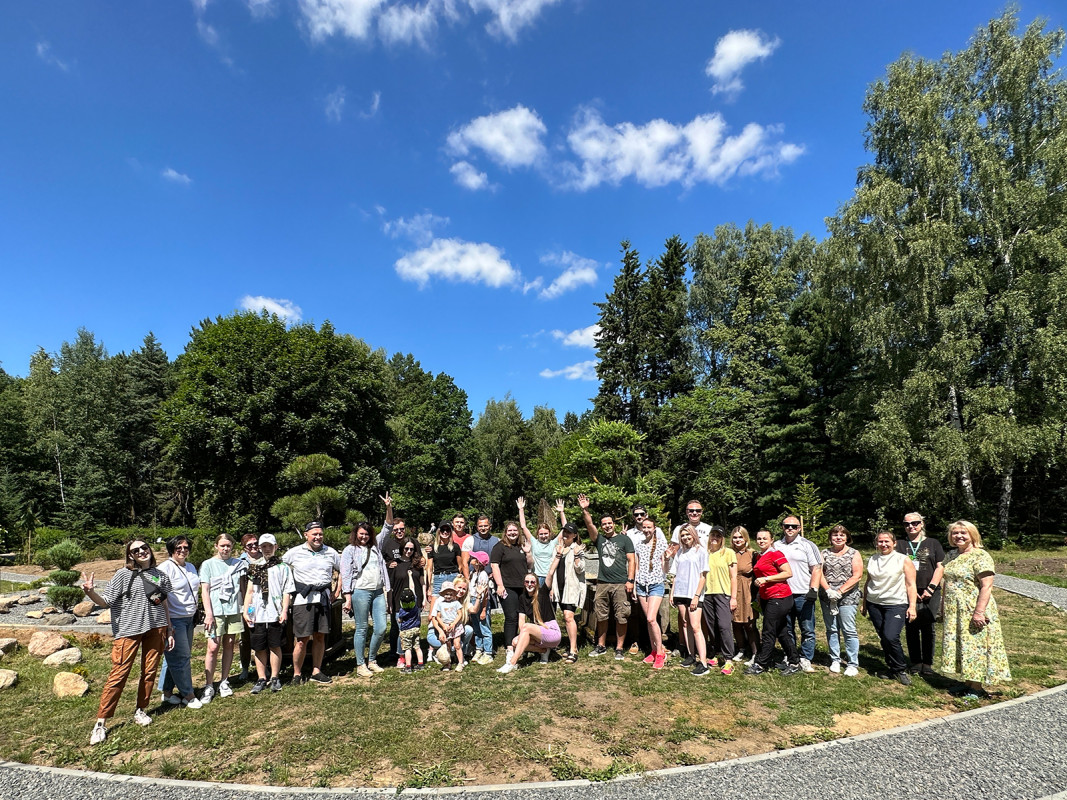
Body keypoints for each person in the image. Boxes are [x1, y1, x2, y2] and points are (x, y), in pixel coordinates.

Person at [80, 540, 175, 744]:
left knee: (149, 672)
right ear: (130, 555)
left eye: (144, 548)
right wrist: (90, 592)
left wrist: (169, 629)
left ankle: (141, 710)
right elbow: (106, 601)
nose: (142, 552)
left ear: (150, 550)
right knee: (119, 674)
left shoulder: (160, 575)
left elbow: (164, 602)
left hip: (156, 628)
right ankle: (100, 723)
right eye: (136, 550)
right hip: (128, 631)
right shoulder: (123, 574)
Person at [940, 520, 1011, 697]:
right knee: (962, 644)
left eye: (963, 533)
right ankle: (968, 682)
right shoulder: (951, 555)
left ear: (973, 535)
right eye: (955, 533)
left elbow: (987, 586)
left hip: (973, 607)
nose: (959, 536)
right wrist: (942, 606)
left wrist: (979, 612)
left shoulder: (981, 556)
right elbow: (946, 582)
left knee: (975, 645)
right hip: (954, 609)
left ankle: (977, 688)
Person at [283, 520, 342, 685]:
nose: (318, 537)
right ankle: (296, 673)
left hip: (323, 599)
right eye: (314, 534)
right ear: (306, 534)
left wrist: (337, 592)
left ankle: (317, 670)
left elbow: (342, 570)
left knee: (320, 636)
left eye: (320, 534)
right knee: (301, 639)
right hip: (303, 600)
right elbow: (281, 569)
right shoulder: (294, 553)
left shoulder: (330, 552)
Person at [578, 494, 636, 659]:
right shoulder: (599, 539)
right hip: (602, 583)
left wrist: (630, 580)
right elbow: (589, 523)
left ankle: (619, 648)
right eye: (604, 524)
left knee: (622, 616)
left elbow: (632, 560)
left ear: (614, 524)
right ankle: (600, 645)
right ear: (602, 527)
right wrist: (585, 510)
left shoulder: (625, 540)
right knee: (601, 615)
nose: (607, 526)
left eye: (609, 523)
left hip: (620, 584)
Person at [862, 530, 918, 685]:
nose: (883, 544)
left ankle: (900, 669)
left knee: (890, 636)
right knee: (884, 638)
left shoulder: (903, 559)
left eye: (887, 541)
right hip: (875, 604)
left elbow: (911, 584)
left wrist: (912, 607)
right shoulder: (873, 559)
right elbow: (868, 582)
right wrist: (865, 603)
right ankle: (892, 668)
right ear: (876, 543)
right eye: (880, 541)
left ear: (894, 543)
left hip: (896, 603)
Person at [242, 533, 294, 694]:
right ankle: (261, 677)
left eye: (270, 546)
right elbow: (250, 592)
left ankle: (275, 677)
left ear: (275, 547)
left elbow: (287, 591)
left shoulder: (282, 567)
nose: (267, 549)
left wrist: (284, 610)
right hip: (258, 613)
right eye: (263, 546)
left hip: (275, 611)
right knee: (258, 647)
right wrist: (247, 612)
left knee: (275, 645)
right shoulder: (254, 567)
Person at [896, 512, 945, 676]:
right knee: (911, 626)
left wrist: (931, 588)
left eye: (915, 523)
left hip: (930, 590)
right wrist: (909, 590)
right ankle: (915, 662)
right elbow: (896, 568)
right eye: (907, 524)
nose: (911, 526)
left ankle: (927, 663)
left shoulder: (933, 543)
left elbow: (940, 566)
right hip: (908, 590)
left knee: (928, 627)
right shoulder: (900, 544)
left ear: (922, 524)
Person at [157, 534, 202, 708]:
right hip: (174, 618)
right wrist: (167, 624)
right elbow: (158, 593)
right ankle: (188, 694)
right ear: (171, 550)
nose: (183, 550)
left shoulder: (190, 566)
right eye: (179, 547)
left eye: (186, 547)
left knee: (173, 657)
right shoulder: (164, 568)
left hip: (189, 617)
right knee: (181, 657)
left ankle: (167, 692)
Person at [745, 529, 799, 676]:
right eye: (759, 538)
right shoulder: (760, 556)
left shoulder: (776, 554)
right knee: (781, 631)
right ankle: (794, 661)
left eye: (764, 538)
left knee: (768, 631)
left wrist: (766, 579)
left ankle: (761, 664)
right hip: (767, 597)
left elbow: (788, 573)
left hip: (780, 596)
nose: (761, 541)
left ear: (771, 540)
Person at [342, 520, 391, 678]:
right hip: (360, 591)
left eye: (367, 533)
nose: (364, 536)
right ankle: (360, 664)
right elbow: (346, 574)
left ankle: (372, 660)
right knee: (361, 628)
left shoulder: (376, 548)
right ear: (356, 533)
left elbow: (388, 527)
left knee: (381, 627)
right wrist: (347, 597)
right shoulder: (350, 550)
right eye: (361, 533)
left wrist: (388, 507)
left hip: (377, 591)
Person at [199, 533, 244, 701]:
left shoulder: (238, 564)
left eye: (228, 546)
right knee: (212, 647)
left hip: (233, 610)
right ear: (216, 546)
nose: (226, 548)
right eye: (222, 545)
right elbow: (205, 590)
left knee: (230, 644)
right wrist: (208, 613)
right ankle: (209, 684)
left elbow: (244, 585)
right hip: (216, 611)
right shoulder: (208, 565)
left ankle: (224, 681)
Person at [775, 516, 823, 672]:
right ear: (782, 527)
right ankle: (790, 656)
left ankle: (805, 658)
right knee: (786, 628)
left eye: (794, 526)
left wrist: (813, 589)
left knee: (807, 628)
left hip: (803, 593)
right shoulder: (776, 546)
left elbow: (816, 568)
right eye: (787, 526)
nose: (790, 529)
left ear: (799, 528)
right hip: (783, 593)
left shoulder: (807, 545)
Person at [818, 525, 863, 677]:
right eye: (835, 535)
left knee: (848, 630)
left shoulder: (854, 553)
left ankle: (852, 663)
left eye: (842, 535)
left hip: (848, 597)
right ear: (830, 538)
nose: (838, 537)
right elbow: (818, 573)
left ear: (847, 537)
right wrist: (828, 590)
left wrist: (839, 591)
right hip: (827, 596)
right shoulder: (823, 553)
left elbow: (857, 575)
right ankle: (835, 659)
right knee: (832, 629)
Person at [497, 573, 560, 674]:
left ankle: (511, 663)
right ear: (524, 584)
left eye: (532, 582)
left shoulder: (542, 593)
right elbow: (521, 620)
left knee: (526, 627)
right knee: (515, 642)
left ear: (537, 584)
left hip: (552, 632)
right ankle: (543, 651)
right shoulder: (522, 598)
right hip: (538, 633)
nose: (530, 584)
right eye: (527, 582)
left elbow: (551, 573)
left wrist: (557, 556)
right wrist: (524, 637)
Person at [491, 519, 534, 665]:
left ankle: (522, 643)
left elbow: (529, 565)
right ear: (505, 532)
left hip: (523, 587)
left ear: (519, 532)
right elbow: (494, 566)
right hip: (507, 586)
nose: (512, 533)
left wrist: (528, 553)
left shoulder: (522, 546)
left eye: (515, 530)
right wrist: (500, 585)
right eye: (510, 530)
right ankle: (510, 648)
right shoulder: (500, 547)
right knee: (511, 617)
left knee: (523, 616)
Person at [669, 523, 709, 676]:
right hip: (680, 592)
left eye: (688, 535)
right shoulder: (680, 553)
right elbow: (675, 575)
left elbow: (702, 577)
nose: (685, 538)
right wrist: (672, 594)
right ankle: (691, 655)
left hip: (694, 594)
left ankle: (703, 662)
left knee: (696, 626)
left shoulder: (701, 552)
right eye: (683, 535)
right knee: (685, 624)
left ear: (694, 535)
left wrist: (696, 596)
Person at [546, 522, 586, 664]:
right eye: (564, 532)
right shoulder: (558, 549)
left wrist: (576, 556)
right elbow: (552, 568)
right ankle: (565, 645)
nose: (565, 534)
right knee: (561, 617)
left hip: (571, 589)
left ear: (575, 535)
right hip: (558, 589)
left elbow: (581, 569)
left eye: (569, 532)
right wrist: (551, 587)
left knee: (569, 617)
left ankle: (573, 649)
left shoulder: (577, 549)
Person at [633, 515, 669, 668]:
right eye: (645, 527)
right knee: (649, 621)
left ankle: (661, 652)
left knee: (651, 618)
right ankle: (653, 650)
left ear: (654, 529)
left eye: (650, 527)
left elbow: (665, 569)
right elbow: (637, 566)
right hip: (641, 585)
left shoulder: (661, 544)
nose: (647, 530)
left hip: (656, 584)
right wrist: (635, 586)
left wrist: (667, 560)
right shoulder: (639, 545)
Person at [703, 526, 737, 674]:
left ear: (722, 538)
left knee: (724, 625)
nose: (715, 538)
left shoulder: (728, 553)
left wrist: (733, 597)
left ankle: (729, 658)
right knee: (712, 626)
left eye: (718, 535)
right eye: (713, 535)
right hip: (707, 594)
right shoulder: (705, 553)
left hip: (723, 593)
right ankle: (717, 653)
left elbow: (733, 577)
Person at [389, 538, 425, 669]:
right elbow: (390, 586)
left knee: (414, 630)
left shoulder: (417, 564)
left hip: (416, 602)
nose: (409, 551)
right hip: (399, 602)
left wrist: (425, 598)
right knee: (402, 631)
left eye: (411, 549)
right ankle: (401, 656)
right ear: (402, 549)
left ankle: (415, 655)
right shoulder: (395, 564)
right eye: (406, 548)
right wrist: (389, 603)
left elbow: (422, 582)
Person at [729, 527, 759, 663]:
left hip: (747, 591)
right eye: (735, 537)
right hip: (731, 590)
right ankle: (741, 648)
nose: (737, 540)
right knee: (735, 622)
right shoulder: (728, 553)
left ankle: (755, 652)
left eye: (740, 537)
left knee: (749, 623)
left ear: (745, 538)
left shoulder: (753, 554)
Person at [518, 496, 562, 586]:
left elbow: (564, 529)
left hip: (550, 576)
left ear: (549, 533)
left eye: (545, 533)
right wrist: (521, 509)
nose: (543, 536)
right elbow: (523, 526)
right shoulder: (534, 542)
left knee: (548, 600)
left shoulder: (553, 543)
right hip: (536, 576)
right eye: (541, 534)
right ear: (537, 534)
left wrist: (561, 512)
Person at [428, 580, 468, 672]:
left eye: (450, 594)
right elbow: (437, 617)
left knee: (457, 645)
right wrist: (443, 626)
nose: (448, 596)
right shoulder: (440, 604)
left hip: (455, 626)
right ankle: (447, 662)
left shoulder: (456, 603)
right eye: (446, 594)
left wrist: (454, 623)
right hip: (445, 627)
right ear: (442, 594)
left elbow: (460, 614)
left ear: (453, 594)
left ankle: (460, 663)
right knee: (447, 645)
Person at [236, 533, 259, 682]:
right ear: (244, 548)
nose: (254, 547)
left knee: (263, 634)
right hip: (247, 604)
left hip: (264, 603)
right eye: (249, 545)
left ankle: (265, 666)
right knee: (246, 637)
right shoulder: (240, 563)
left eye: (255, 543)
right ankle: (245, 666)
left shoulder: (266, 558)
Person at [426, 521, 463, 606]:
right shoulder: (432, 548)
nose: (445, 532)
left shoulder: (455, 546)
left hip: (453, 576)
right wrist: (429, 587)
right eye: (443, 530)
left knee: (454, 605)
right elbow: (429, 568)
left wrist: (458, 575)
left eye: (447, 530)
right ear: (439, 531)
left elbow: (460, 565)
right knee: (435, 605)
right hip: (439, 577)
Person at [467, 550, 494, 664]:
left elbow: (486, 595)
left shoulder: (483, 575)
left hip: (481, 601)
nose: (471, 559)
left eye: (474, 558)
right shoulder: (473, 573)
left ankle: (488, 652)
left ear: (478, 562)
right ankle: (479, 649)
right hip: (474, 601)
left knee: (484, 627)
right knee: (477, 627)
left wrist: (483, 609)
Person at [395, 587, 424, 673]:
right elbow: (413, 589)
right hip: (416, 629)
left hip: (406, 632)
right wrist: (410, 576)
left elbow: (400, 620)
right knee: (417, 647)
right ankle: (421, 664)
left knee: (408, 649)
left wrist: (399, 620)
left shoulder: (402, 611)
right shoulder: (415, 606)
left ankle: (408, 667)